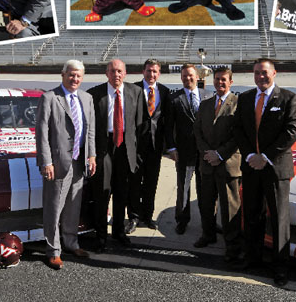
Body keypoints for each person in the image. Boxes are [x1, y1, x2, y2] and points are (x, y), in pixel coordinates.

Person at [233, 59, 296, 287]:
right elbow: (239, 130)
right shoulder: (244, 99)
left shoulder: (289, 99)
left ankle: (280, 267)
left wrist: (266, 156)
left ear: (274, 73)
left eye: (264, 73)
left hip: (275, 168)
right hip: (252, 166)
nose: (260, 77)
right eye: (256, 73)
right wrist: (251, 155)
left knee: (279, 218)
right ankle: (253, 258)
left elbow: (291, 131)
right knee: (252, 214)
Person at [35, 59, 96, 270]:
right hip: (58, 163)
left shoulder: (87, 98)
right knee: (54, 207)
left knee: (73, 205)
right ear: (63, 75)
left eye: (79, 75)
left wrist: (92, 155)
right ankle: (53, 251)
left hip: (80, 162)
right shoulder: (50, 98)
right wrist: (46, 161)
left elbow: (90, 131)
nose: (75, 79)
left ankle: (71, 243)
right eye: (71, 75)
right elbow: (42, 133)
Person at [88, 59, 144, 251]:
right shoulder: (94, 95)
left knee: (122, 193)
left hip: (125, 149)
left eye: (119, 71)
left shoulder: (136, 93)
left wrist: (136, 154)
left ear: (125, 73)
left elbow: (140, 126)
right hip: (104, 148)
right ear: (106, 74)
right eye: (112, 71)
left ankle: (118, 232)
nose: (116, 75)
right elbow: (90, 128)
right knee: (102, 193)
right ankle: (100, 235)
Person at [193, 67, 242, 263]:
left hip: (227, 164)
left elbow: (238, 135)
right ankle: (208, 234)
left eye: (223, 80)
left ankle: (232, 245)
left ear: (231, 82)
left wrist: (220, 154)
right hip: (207, 163)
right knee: (206, 202)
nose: (219, 83)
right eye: (217, 79)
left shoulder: (238, 104)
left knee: (229, 207)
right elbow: (197, 131)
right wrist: (207, 153)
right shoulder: (205, 105)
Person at [165, 64, 212, 234]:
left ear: (197, 77)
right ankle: (182, 220)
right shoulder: (174, 99)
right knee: (183, 188)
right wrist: (171, 148)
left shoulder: (208, 96)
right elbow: (169, 126)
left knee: (204, 189)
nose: (188, 79)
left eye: (190, 75)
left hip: (204, 152)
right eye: (184, 76)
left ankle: (207, 222)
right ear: (181, 78)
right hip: (184, 153)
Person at [126, 59, 170, 233]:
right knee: (134, 183)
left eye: (155, 71)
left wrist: (168, 147)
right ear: (143, 71)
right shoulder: (133, 89)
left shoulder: (164, 92)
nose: (151, 74)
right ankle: (134, 217)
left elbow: (166, 121)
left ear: (159, 73)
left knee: (151, 183)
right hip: (135, 147)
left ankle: (147, 216)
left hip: (155, 147)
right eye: (148, 71)